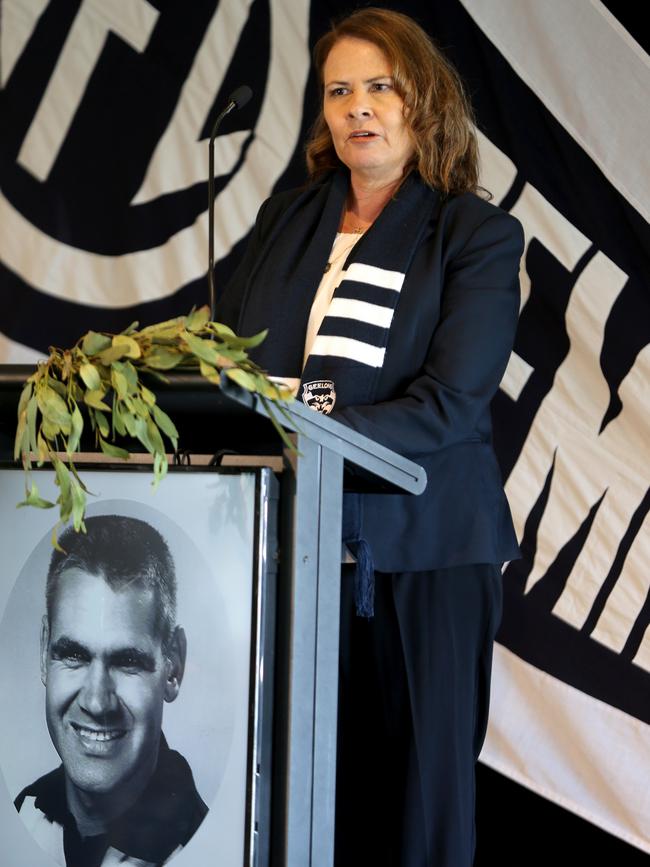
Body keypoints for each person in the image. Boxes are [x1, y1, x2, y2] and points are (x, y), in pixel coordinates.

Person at [217, 7, 524, 865]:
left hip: (427, 550)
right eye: (339, 91)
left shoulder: (476, 235)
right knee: (305, 795)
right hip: (299, 553)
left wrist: (310, 430)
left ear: (420, 99)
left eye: (379, 87)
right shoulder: (290, 220)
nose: (358, 107)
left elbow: (452, 404)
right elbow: (228, 356)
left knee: (423, 803)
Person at [14, 515, 208, 867]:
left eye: (127, 661)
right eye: (73, 655)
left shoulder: (208, 850)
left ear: (173, 667)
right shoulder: (21, 812)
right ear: (45, 652)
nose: (95, 700)